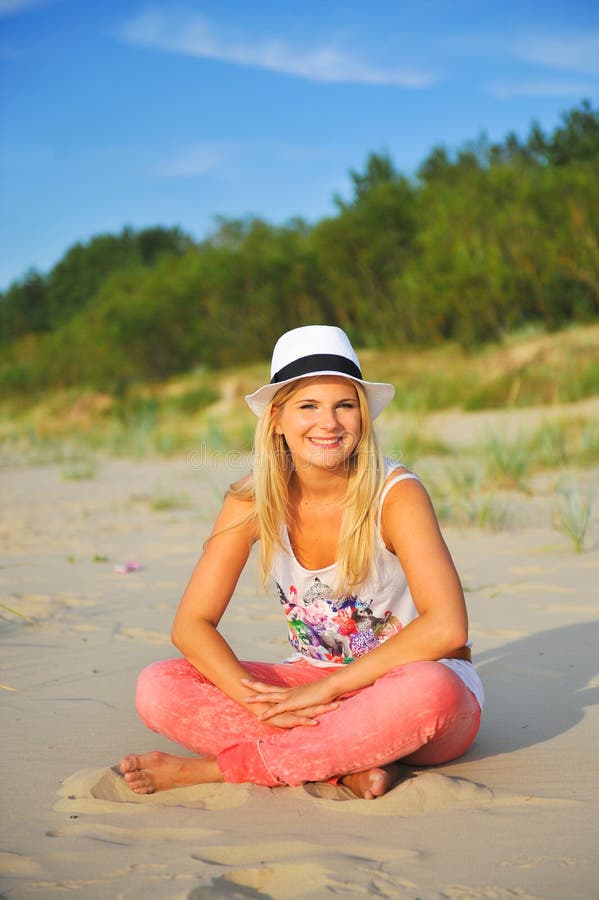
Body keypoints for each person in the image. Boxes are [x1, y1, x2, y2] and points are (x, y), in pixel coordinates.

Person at [119, 325, 484, 800]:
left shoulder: (397, 495)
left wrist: (326, 694)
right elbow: (192, 624)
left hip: (406, 689)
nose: (328, 424)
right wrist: (254, 695)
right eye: (308, 406)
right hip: (312, 680)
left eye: (344, 405)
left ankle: (222, 769)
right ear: (277, 419)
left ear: (363, 416)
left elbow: (448, 628)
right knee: (160, 685)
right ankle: (347, 763)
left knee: (433, 688)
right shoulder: (252, 499)